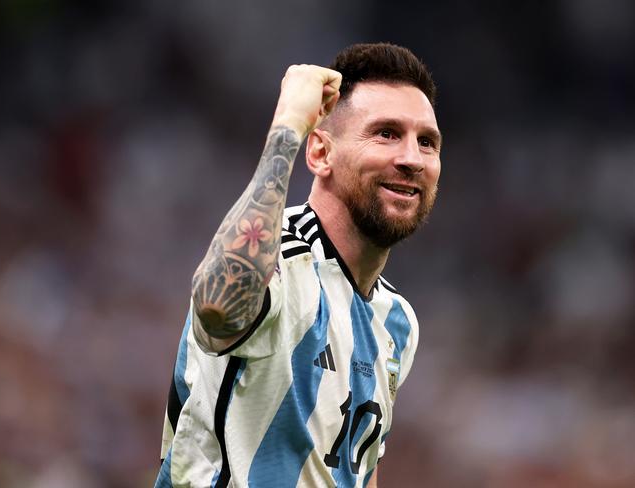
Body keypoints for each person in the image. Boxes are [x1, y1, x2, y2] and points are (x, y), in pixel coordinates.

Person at [155, 42, 442, 488]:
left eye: (427, 142)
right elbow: (215, 306)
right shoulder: (278, 263)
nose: (411, 158)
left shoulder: (398, 322)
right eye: (386, 133)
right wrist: (289, 125)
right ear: (320, 154)